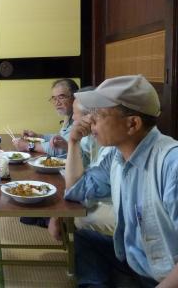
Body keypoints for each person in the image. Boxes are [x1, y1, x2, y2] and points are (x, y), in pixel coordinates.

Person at [64, 75, 178, 287]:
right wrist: (73, 142)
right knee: (83, 239)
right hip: (134, 261)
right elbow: (77, 190)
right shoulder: (115, 157)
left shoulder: (171, 164)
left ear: (132, 123)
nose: (90, 120)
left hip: (162, 277)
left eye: (99, 114)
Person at [47, 87, 115, 241]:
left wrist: (58, 214)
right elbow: (83, 183)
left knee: (78, 216)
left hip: (121, 208)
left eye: (76, 120)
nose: (57, 102)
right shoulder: (100, 143)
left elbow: (81, 189)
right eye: (53, 98)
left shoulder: (110, 144)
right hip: (100, 193)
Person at [12, 78, 78, 157]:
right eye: (54, 98)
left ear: (75, 97)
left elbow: (59, 149)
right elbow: (60, 139)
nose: (57, 103)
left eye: (61, 97)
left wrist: (28, 146)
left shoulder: (80, 118)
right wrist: (38, 137)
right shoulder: (69, 116)